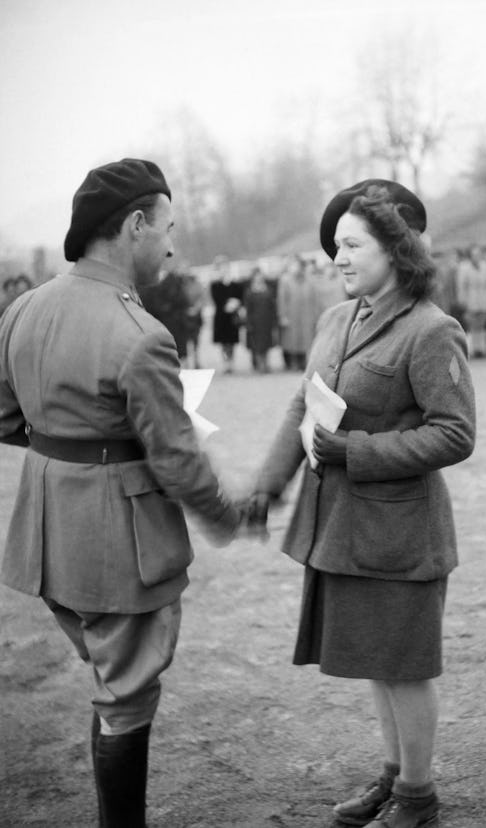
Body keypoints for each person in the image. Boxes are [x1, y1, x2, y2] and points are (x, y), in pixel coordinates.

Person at [0, 158, 244, 827]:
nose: (171, 245)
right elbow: (179, 462)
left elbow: (4, 417)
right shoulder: (141, 335)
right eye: (167, 227)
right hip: (116, 545)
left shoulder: (21, 308)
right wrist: (229, 515)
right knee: (127, 698)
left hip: (46, 536)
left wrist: (73, 444)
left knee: (111, 686)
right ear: (134, 225)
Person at [247, 180, 475, 828]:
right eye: (336, 247)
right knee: (379, 664)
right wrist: (269, 483)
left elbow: (455, 434)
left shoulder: (433, 330)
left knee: (404, 670)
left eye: (351, 245)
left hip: (401, 535)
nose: (337, 257)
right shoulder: (335, 319)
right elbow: (304, 402)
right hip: (345, 528)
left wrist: (359, 450)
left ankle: (418, 798)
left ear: (395, 250)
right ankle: (395, 774)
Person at [277, 255, 317, 371]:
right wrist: (283, 315)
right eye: (293, 265)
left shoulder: (308, 279)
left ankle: (303, 362)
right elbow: (282, 299)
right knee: (291, 340)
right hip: (291, 314)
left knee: (305, 339)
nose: (295, 267)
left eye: (297, 265)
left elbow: (314, 298)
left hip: (305, 314)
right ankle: (291, 363)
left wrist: (314, 314)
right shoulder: (285, 280)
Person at [455, 245, 486, 357]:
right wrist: (462, 300)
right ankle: (472, 349)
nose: (477, 256)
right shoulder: (464, 267)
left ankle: (482, 348)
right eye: (474, 254)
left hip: (483, 298)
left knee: (482, 324)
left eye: (479, 254)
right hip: (470, 298)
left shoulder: (485, 266)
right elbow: (461, 285)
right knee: (471, 324)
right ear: (470, 256)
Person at [209, 255, 245, 373]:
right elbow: (216, 299)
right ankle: (226, 363)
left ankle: (231, 362)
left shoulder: (235, 283)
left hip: (232, 317)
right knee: (224, 342)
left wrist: (236, 303)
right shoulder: (215, 284)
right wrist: (226, 304)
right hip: (221, 316)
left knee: (232, 341)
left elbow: (240, 295)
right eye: (221, 267)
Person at [243, 266, 277, 372]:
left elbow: (272, 307)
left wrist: (274, 320)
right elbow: (248, 309)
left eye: (260, 276)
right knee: (257, 345)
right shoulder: (249, 292)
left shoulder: (268, 290)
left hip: (267, 321)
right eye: (256, 276)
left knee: (267, 344)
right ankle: (260, 364)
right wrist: (248, 323)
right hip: (255, 322)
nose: (258, 278)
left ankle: (266, 363)